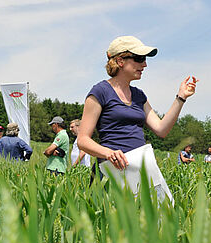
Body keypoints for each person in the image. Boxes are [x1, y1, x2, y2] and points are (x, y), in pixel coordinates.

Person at [77, 35, 197, 202]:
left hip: (139, 170)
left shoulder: (139, 95)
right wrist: (109, 153)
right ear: (120, 61)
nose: (145, 64)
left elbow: (161, 129)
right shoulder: (100, 92)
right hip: (110, 172)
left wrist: (181, 98)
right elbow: (82, 140)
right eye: (139, 58)